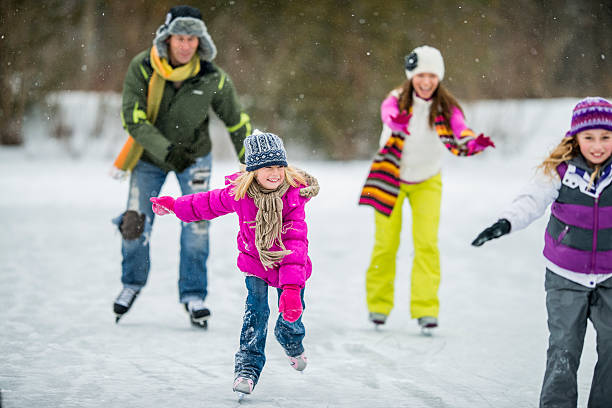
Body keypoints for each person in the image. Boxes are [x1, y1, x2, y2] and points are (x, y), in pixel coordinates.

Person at [111, 5, 252, 328]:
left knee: (197, 227)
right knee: (134, 223)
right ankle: (131, 284)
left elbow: (237, 121)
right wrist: (165, 149)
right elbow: (132, 118)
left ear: (200, 41)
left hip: (195, 158)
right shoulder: (143, 67)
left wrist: (252, 162)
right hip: (149, 158)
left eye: (192, 38)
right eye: (180, 38)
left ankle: (194, 295)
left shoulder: (211, 76)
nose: (186, 45)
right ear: (167, 38)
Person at [150, 131, 318, 395]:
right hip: (256, 264)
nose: (274, 173)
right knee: (256, 313)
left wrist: (292, 290)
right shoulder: (240, 194)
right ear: (253, 170)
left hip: (290, 266)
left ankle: (291, 341)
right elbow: (203, 203)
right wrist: (173, 205)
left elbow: (295, 243)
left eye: (278, 166)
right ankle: (247, 370)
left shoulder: (292, 197)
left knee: (291, 315)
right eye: (266, 167)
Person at [472, 97, 612, 407]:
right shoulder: (560, 170)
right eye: (589, 137)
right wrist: (505, 223)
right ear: (575, 137)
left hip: (610, 276)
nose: (598, 145)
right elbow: (531, 200)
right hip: (565, 276)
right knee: (563, 349)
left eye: (606, 137)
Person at [359, 45, 494, 333]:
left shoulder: (446, 107)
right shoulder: (396, 99)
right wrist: (394, 121)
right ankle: (378, 306)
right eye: (421, 75)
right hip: (390, 177)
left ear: (439, 77)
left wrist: (473, 142)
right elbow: (388, 113)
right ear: (411, 76)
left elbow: (460, 129)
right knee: (386, 244)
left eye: (432, 75)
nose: (426, 81)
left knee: (426, 245)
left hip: (427, 180)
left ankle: (426, 310)